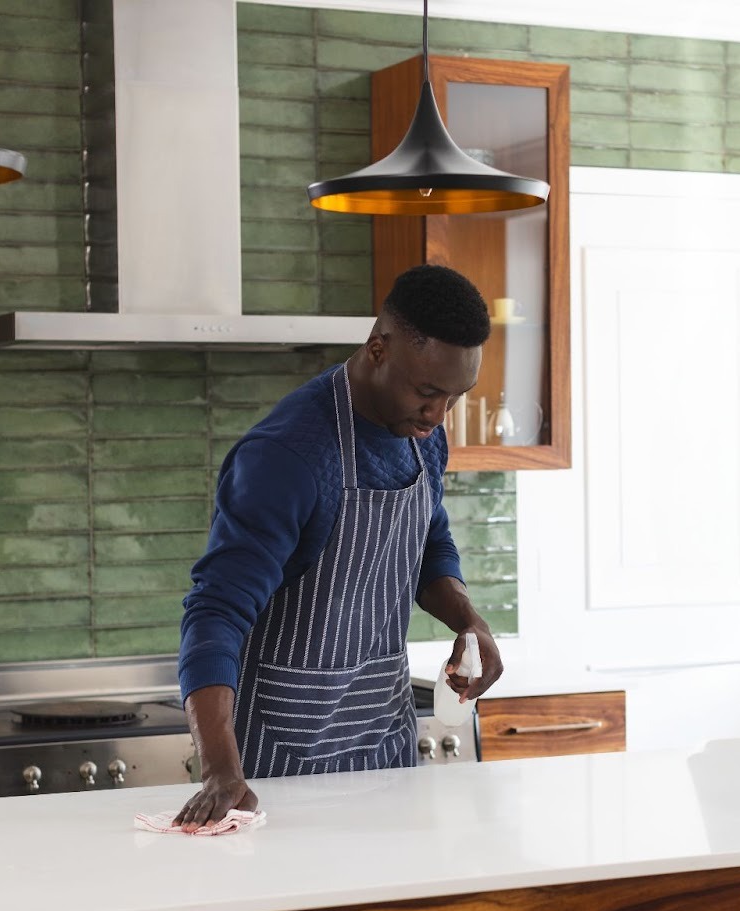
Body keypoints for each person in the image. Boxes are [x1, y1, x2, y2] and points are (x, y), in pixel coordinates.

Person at [173, 264, 505, 827]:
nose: (438, 416)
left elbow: (430, 538)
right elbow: (215, 613)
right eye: (427, 392)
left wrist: (469, 621)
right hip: (278, 769)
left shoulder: (421, 434)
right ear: (379, 348)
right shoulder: (288, 456)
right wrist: (220, 771)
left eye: (455, 397)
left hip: (385, 752)